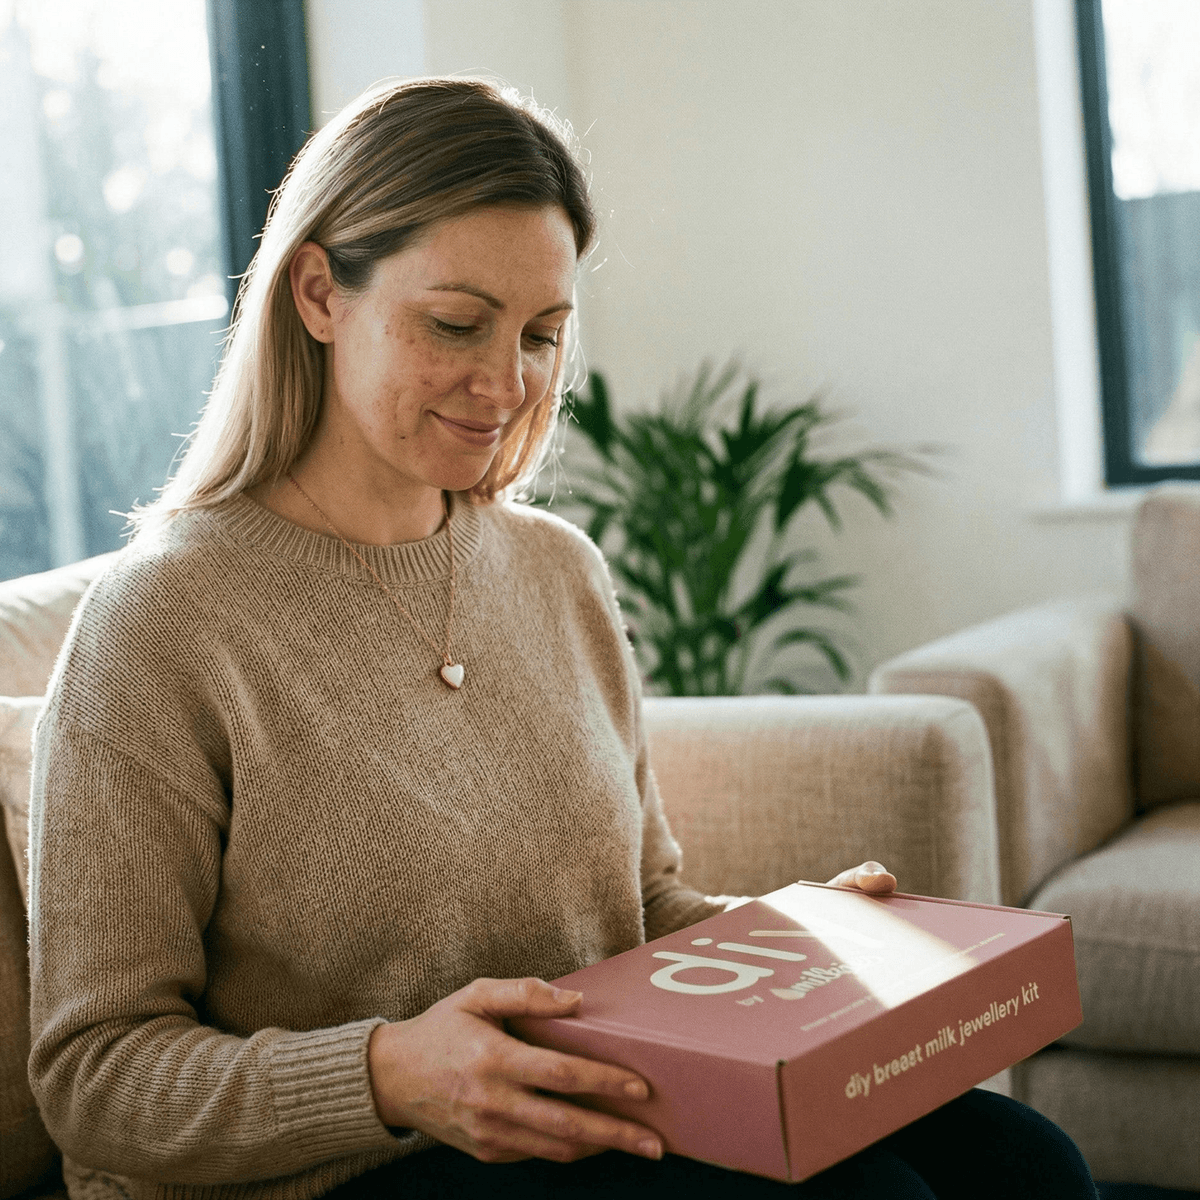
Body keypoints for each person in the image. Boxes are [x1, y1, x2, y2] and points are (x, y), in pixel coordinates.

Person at [26, 78, 1097, 1200]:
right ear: (316, 294)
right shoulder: (164, 621)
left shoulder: (554, 569)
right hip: (338, 1175)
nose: (507, 383)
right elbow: (95, 1076)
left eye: (542, 335)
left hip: (581, 1114)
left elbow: (642, 913)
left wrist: (797, 943)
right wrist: (388, 1074)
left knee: (1023, 1164)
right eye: (454, 324)